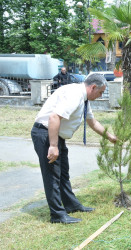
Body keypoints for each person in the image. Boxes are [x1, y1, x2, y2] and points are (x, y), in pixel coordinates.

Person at [31, 74, 117, 224]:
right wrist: (53, 146)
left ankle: (71, 205)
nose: (100, 95)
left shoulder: (84, 98)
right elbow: (54, 118)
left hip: (57, 135)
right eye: (101, 92)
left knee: (63, 173)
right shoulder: (74, 95)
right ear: (93, 87)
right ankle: (57, 215)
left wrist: (109, 136)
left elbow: (91, 121)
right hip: (46, 134)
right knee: (52, 175)